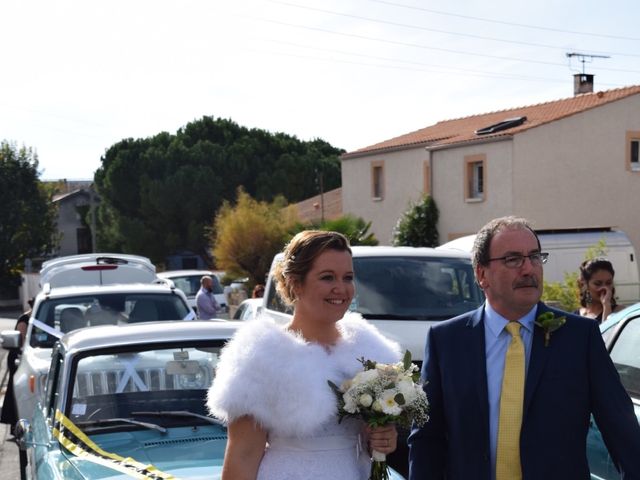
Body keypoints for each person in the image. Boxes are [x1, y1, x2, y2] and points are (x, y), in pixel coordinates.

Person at [408, 216, 640, 480]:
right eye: (513, 259)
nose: (529, 269)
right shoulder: (447, 341)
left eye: (534, 257)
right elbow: (427, 439)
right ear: (481, 274)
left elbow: (623, 433)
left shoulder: (579, 338)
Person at [207, 230, 402, 479]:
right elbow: (242, 455)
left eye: (348, 277)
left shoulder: (370, 350)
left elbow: (366, 441)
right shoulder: (261, 354)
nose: (340, 288)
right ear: (295, 283)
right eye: (327, 277)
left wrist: (383, 437)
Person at [1, 298, 34, 433]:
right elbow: (22, 341)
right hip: (18, 357)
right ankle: (16, 422)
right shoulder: (24, 319)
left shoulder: (38, 319)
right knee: (16, 389)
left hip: (28, 356)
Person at [575, 258, 624, 323]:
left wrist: (606, 306)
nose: (604, 288)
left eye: (608, 283)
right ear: (586, 285)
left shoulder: (620, 312)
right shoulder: (575, 316)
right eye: (598, 284)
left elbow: (608, 332)